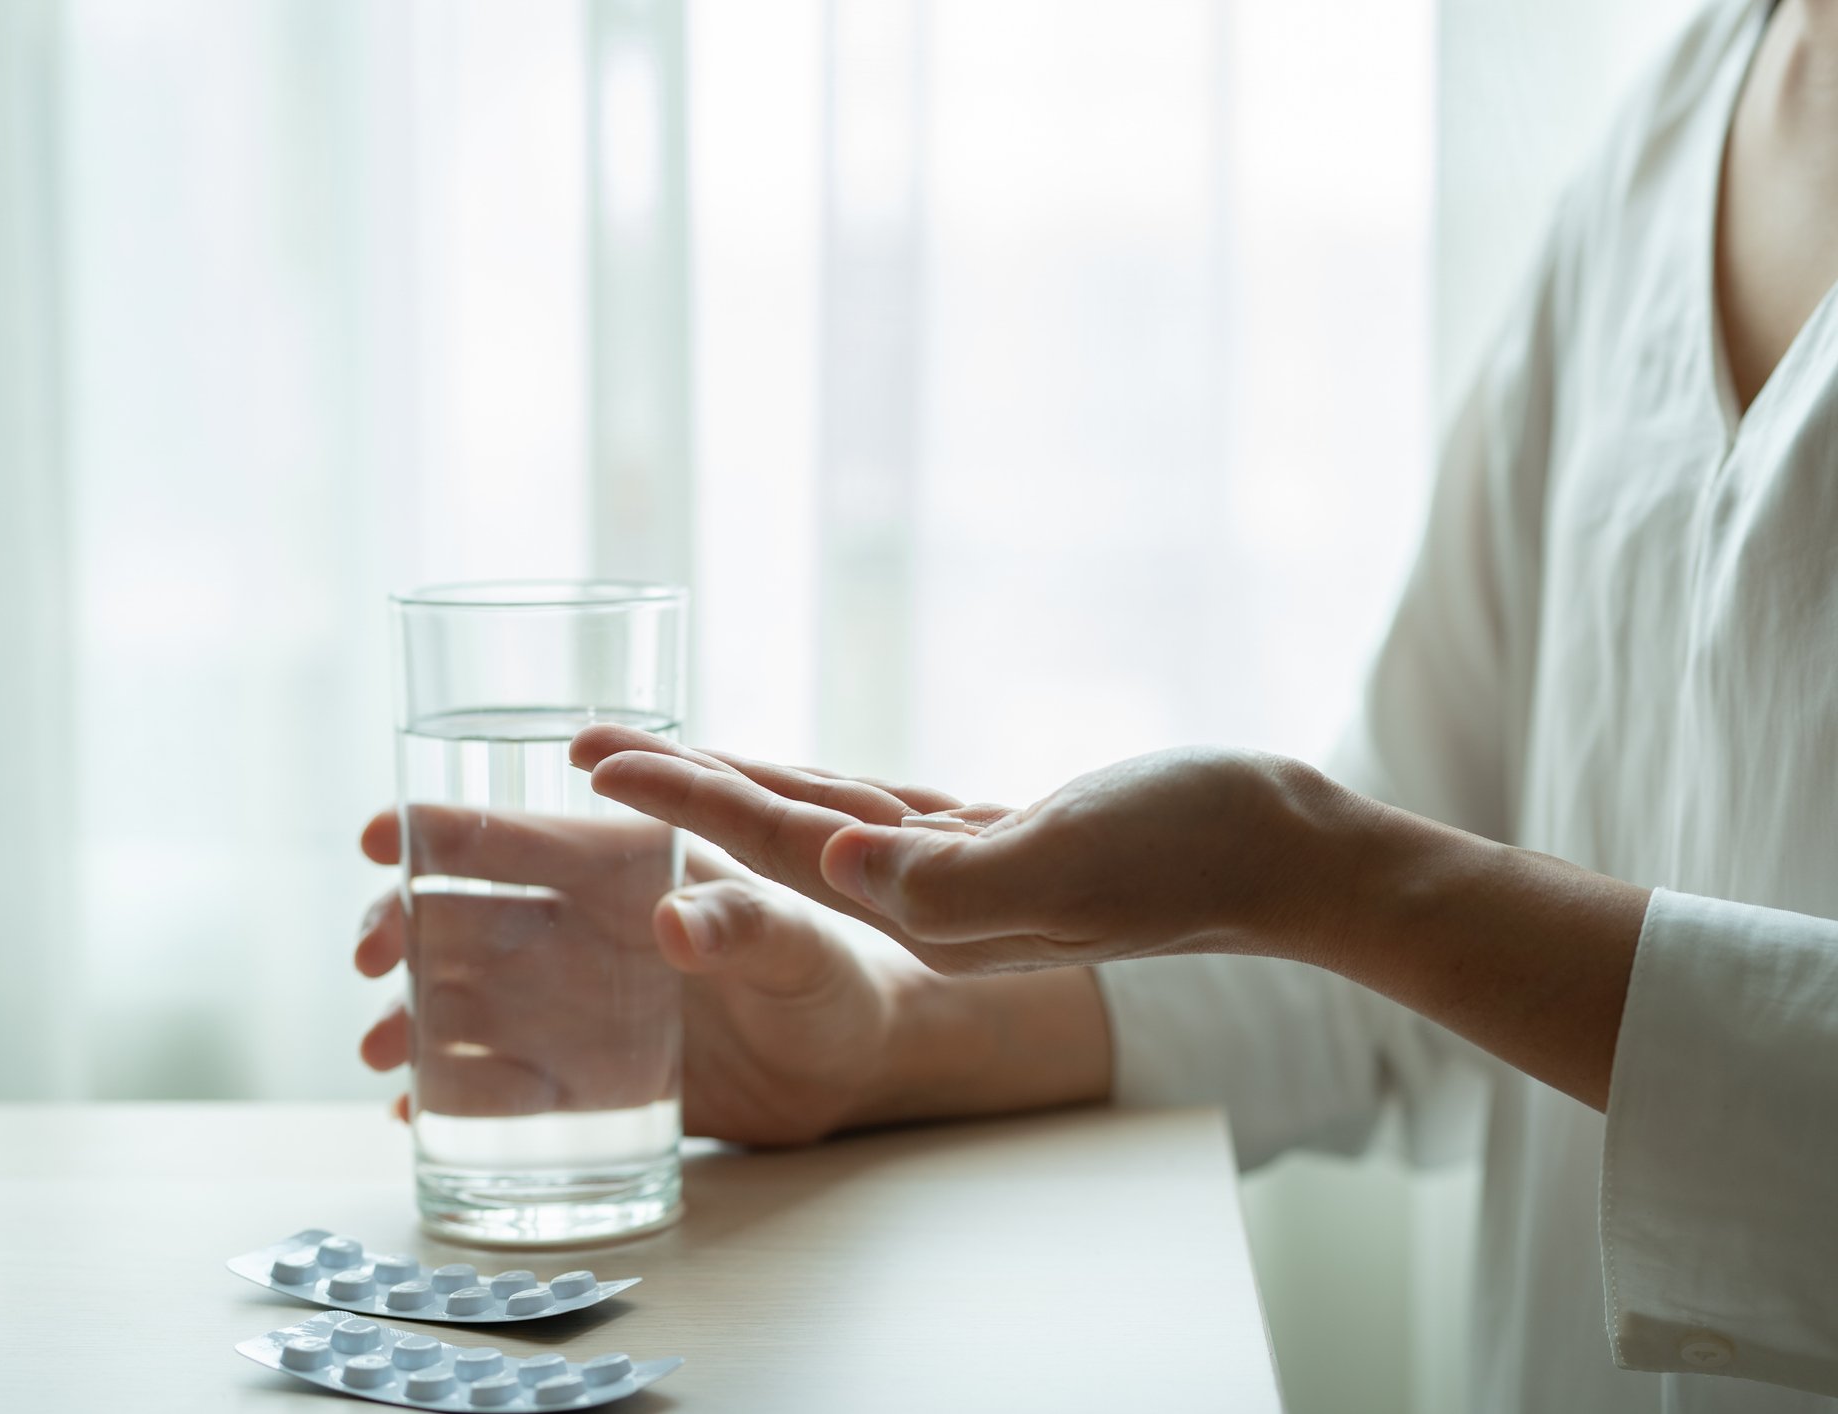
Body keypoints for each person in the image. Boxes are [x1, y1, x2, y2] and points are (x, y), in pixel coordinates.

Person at [353, 0, 1838, 1406]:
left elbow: (1390, 893)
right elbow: (1415, 951)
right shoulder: (1677, 117)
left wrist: (1317, 868)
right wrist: (882, 1031)